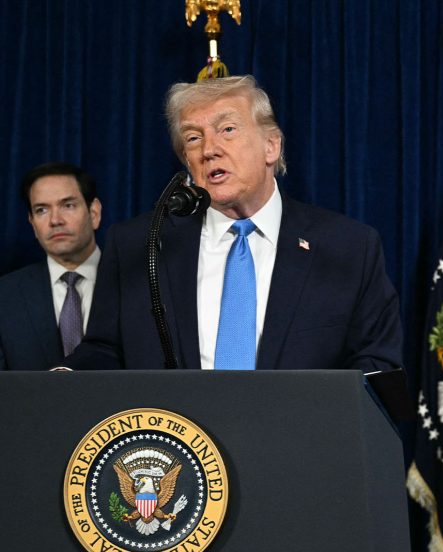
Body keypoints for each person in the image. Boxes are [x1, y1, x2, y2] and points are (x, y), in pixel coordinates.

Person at [67, 75, 402, 371]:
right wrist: (64, 379)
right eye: (193, 138)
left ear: (271, 146)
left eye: (227, 130)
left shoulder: (349, 248)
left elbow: (376, 363)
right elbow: (105, 351)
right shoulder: (139, 245)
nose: (209, 150)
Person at [0, 162, 102, 370]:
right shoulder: (5, 295)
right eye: (42, 210)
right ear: (32, 223)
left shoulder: (135, 284)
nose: (55, 220)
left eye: (68, 205)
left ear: (94, 213)